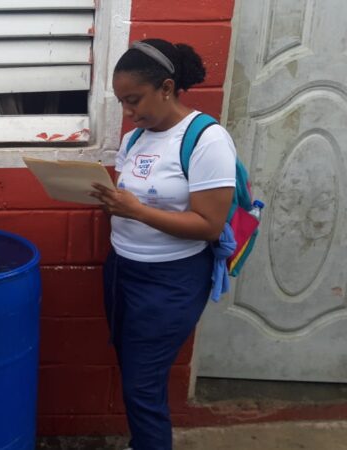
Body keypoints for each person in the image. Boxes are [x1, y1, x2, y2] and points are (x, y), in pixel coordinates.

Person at [90, 39, 237, 450]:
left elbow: (209, 225)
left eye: (134, 100)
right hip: (122, 269)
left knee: (142, 387)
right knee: (134, 371)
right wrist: (107, 202)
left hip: (170, 280)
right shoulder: (135, 139)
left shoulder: (206, 139)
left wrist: (135, 211)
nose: (128, 113)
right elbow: (129, 200)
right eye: (122, 102)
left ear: (167, 88)